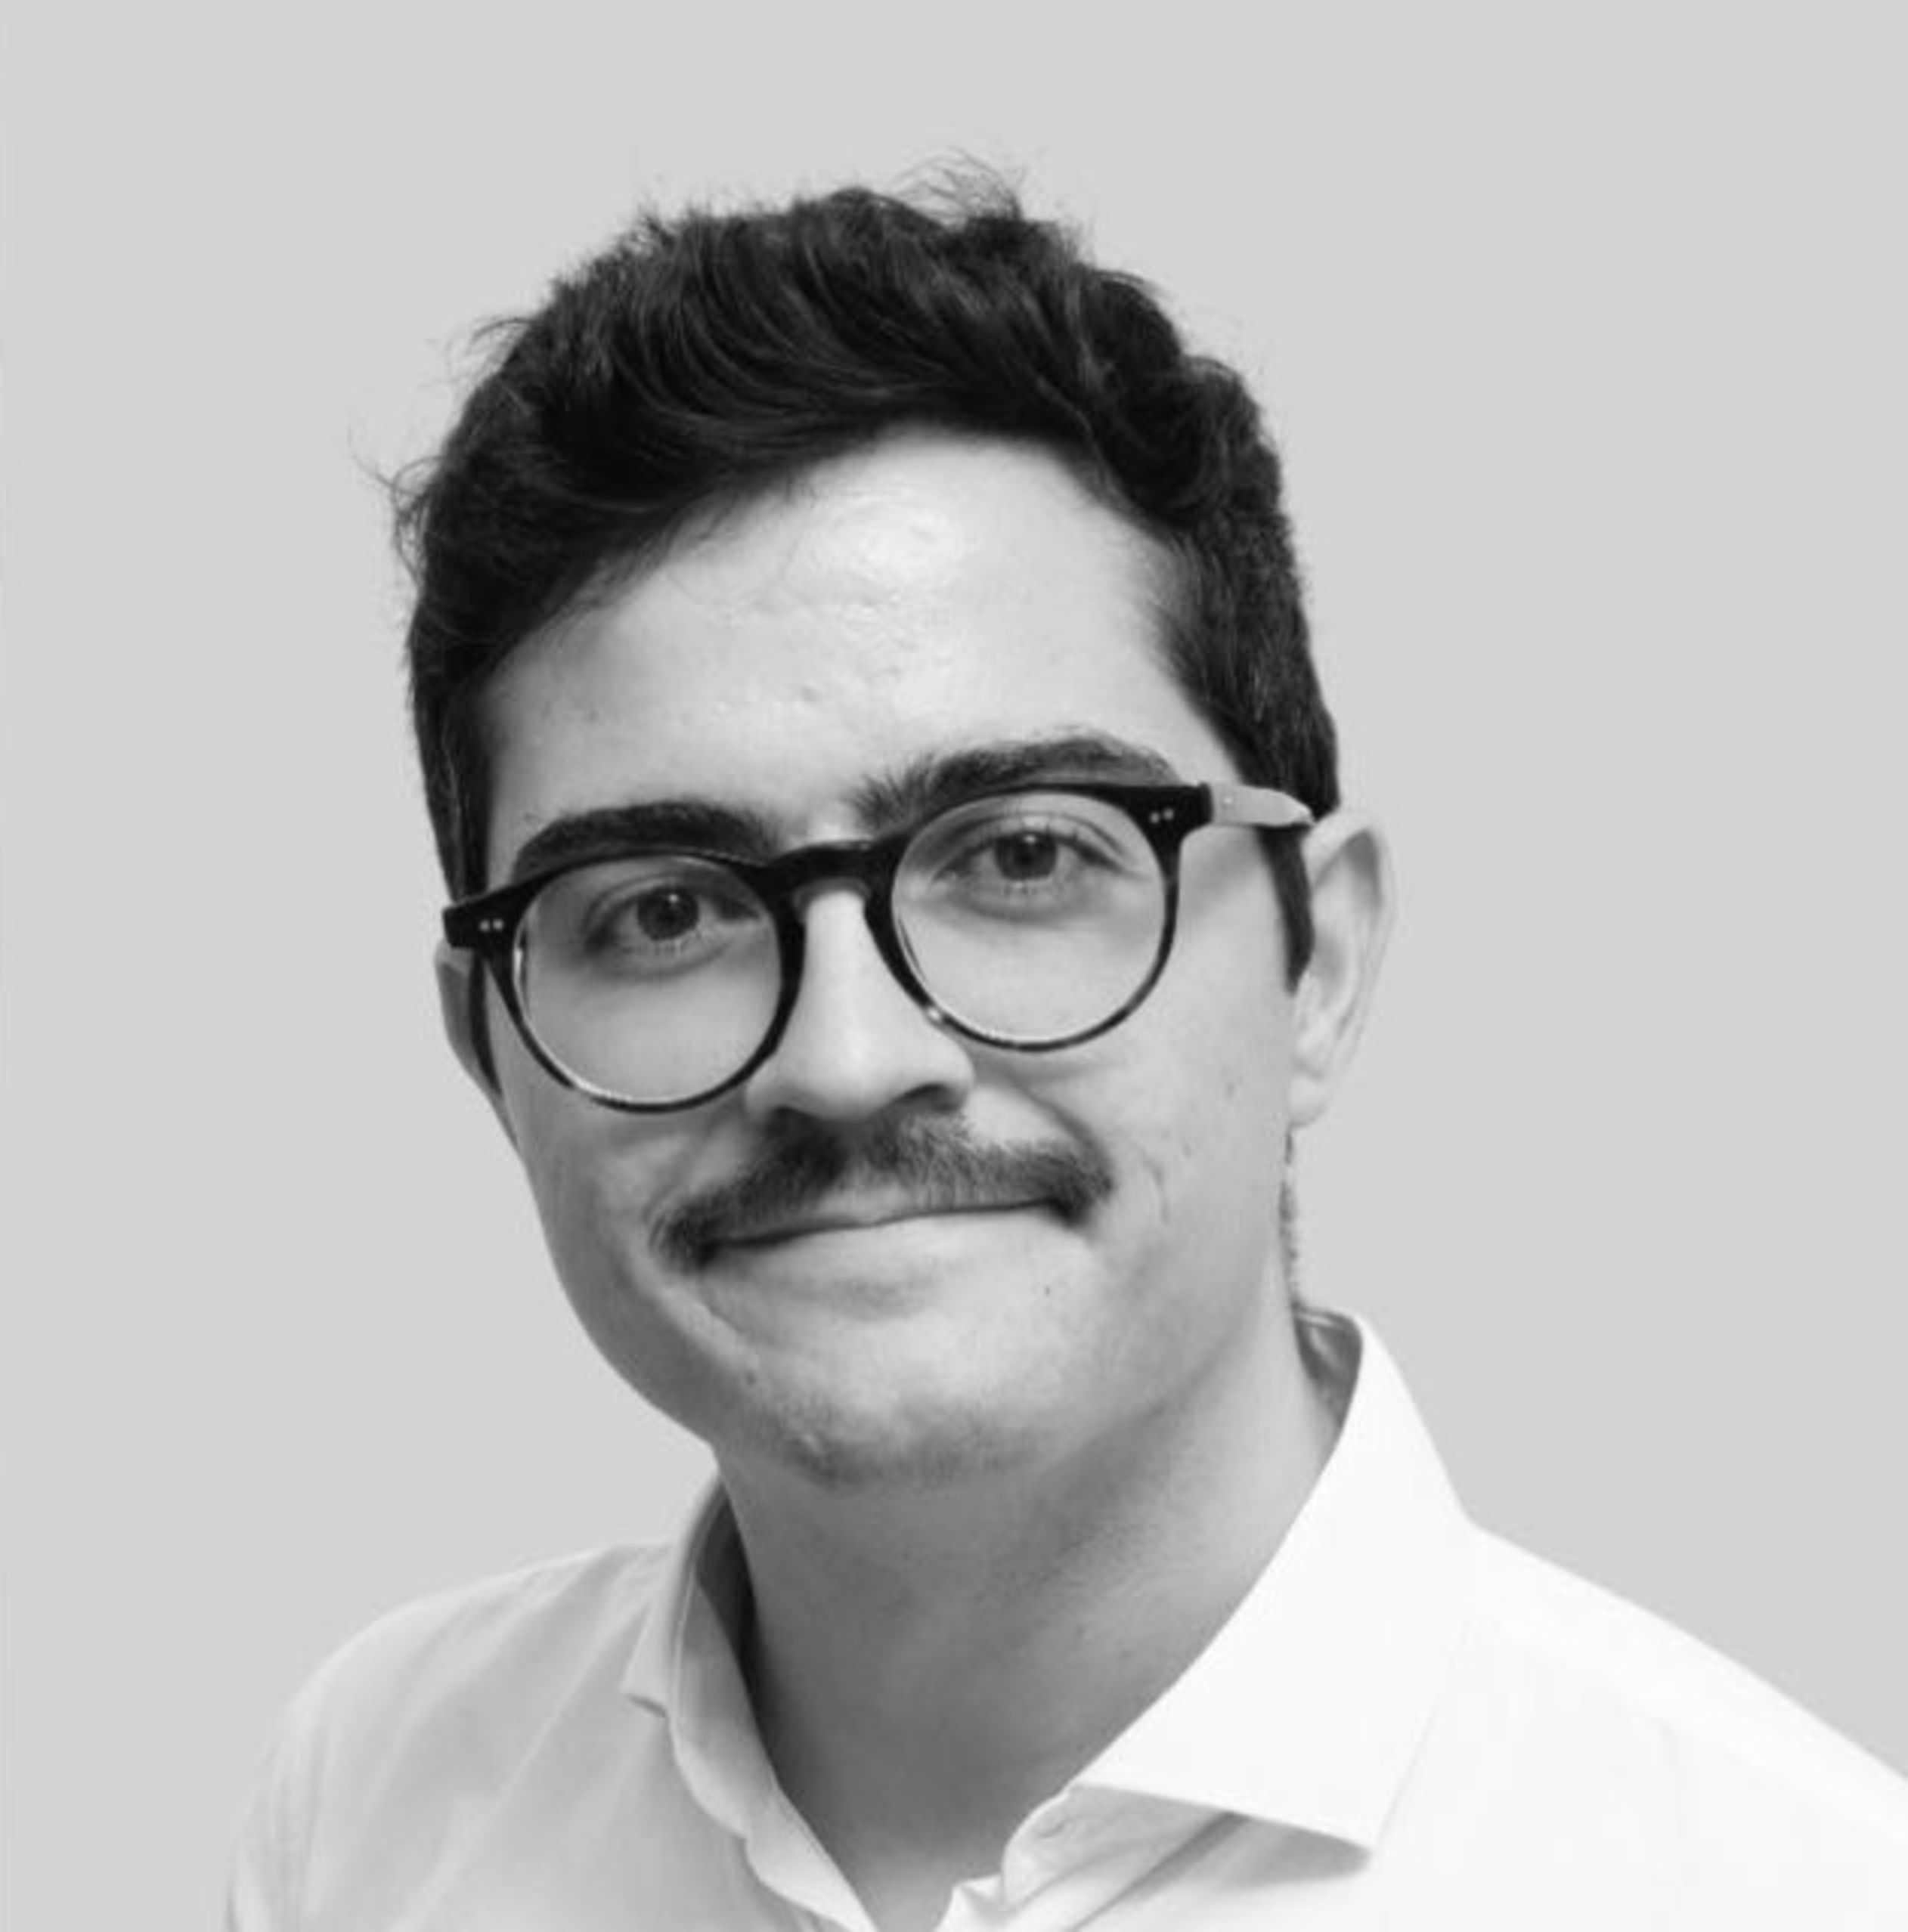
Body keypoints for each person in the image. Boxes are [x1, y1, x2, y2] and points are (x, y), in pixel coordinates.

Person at [228, 178, 1908, 1930]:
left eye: (1022, 856)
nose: (845, 1058)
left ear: (1317, 962)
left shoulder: (1792, 1890)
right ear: (490, 1054)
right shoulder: (374, 1803)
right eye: (662, 912)